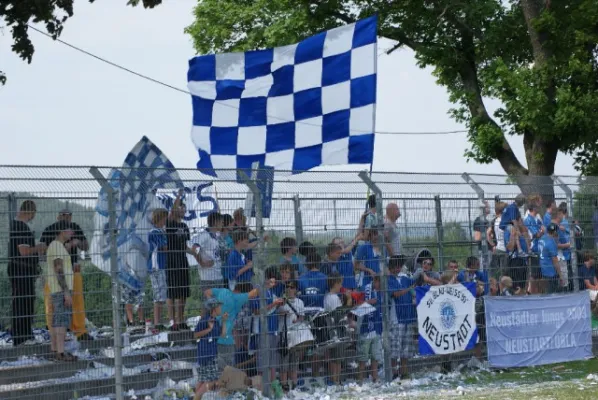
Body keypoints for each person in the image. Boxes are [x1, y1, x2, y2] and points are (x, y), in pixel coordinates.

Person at [40, 208, 91, 340]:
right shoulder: (49, 229)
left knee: (76, 300)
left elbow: (86, 246)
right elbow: (41, 249)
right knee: (52, 301)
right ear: (58, 216)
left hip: (73, 270)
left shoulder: (75, 228)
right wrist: (57, 247)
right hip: (54, 271)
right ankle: (53, 331)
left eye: (68, 215)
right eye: (63, 215)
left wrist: (78, 242)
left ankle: (79, 330)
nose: (66, 217)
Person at [204, 281, 271, 370]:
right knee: (234, 351)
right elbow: (207, 292)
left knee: (243, 350)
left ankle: (240, 371)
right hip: (232, 329)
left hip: (245, 328)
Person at [9, 200, 46, 346]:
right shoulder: (20, 227)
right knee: (22, 303)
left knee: (26, 302)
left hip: (23, 270)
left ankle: (25, 335)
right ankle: (21, 337)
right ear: (30, 212)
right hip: (21, 270)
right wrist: (39, 247)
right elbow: (23, 251)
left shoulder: (18, 226)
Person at [166, 190, 200, 331]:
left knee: (183, 292)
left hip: (182, 260)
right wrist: (178, 196)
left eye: (184, 207)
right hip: (171, 261)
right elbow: (172, 213)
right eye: (181, 207)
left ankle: (181, 320)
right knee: (173, 292)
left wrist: (194, 252)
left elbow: (185, 245)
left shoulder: (184, 227)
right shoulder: (170, 223)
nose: (183, 210)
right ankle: (172, 321)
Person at [46, 221, 77, 361]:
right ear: (62, 231)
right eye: (70, 229)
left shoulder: (57, 246)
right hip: (60, 290)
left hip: (58, 289)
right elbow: (58, 269)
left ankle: (56, 350)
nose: (72, 232)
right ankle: (61, 352)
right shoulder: (57, 246)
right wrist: (66, 292)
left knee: (57, 319)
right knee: (62, 321)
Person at [387, 255, 416, 380]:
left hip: (408, 317)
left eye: (399, 267)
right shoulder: (388, 280)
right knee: (395, 348)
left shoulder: (405, 278)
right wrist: (409, 289)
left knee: (406, 348)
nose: (397, 269)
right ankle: (394, 372)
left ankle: (404, 372)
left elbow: (415, 289)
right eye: (394, 267)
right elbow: (395, 294)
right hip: (396, 318)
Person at [194, 298, 229, 399]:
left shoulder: (216, 320)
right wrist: (209, 329)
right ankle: (196, 397)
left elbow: (222, 335)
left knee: (202, 380)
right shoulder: (205, 319)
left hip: (212, 354)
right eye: (219, 306)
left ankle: (196, 397)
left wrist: (224, 321)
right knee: (210, 381)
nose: (221, 309)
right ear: (214, 308)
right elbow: (195, 335)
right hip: (206, 355)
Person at [278, 280, 306, 391]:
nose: (289, 289)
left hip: (295, 335)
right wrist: (282, 312)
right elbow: (277, 313)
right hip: (284, 335)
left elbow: (302, 317)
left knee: (294, 362)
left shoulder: (300, 302)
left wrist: (297, 320)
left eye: (292, 287)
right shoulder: (281, 301)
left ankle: (294, 385)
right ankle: (284, 385)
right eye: (287, 286)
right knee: (284, 362)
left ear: (295, 289)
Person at [357, 275, 383, 383]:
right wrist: (367, 303)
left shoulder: (382, 292)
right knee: (363, 356)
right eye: (380, 283)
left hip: (377, 328)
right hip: (365, 328)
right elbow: (356, 306)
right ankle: (360, 379)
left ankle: (375, 377)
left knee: (375, 355)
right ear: (375, 280)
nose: (382, 286)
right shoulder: (364, 289)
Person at [147, 208, 169, 330]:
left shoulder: (160, 231)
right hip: (156, 266)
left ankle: (158, 321)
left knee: (161, 293)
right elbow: (163, 247)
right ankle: (156, 322)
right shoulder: (155, 232)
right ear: (160, 218)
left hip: (161, 265)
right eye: (165, 218)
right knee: (158, 294)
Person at [193, 211, 225, 290]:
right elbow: (195, 248)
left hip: (218, 275)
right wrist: (202, 262)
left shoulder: (217, 235)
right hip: (208, 277)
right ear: (215, 223)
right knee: (210, 301)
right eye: (221, 222)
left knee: (219, 301)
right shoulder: (204, 235)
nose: (222, 224)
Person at [323, 273, 344, 384]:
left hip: (329, 329)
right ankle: (336, 379)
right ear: (335, 283)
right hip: (337, 329)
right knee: (337, 357)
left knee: (332, 356)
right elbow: (338, 314)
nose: (341, 286)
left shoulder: (326, 296)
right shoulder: (335, 298)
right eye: (340, 284)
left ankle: (334, 379)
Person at [539, 223, 565, 294]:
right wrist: (560, 275)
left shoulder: (541, 239)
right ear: (555, 232)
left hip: (543, 268)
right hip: (551, 272)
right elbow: (555, 261)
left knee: (546, 291)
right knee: (552, 293)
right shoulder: (551, 242)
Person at [354, 225, 382, 290]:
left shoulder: (383, 248)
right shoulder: (363, 247)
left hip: (380, 284)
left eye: (378, 234)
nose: (377, 236)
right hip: (366, 282)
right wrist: (369, 270)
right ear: (370, 236)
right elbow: (356, 265)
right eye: (374, 234)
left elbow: (385, 265)